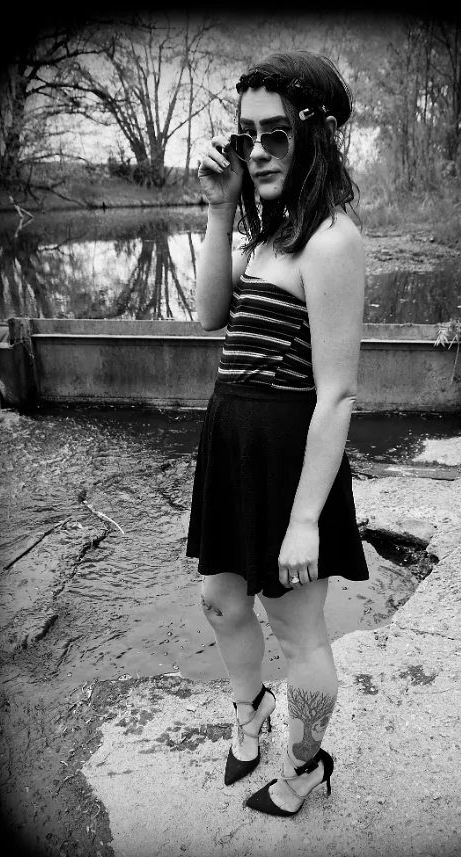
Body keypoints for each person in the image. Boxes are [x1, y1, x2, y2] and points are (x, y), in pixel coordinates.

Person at [186, 50, 369, 817]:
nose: (257, 151)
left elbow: (338, 395)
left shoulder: (331, 240)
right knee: (221, 599)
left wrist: (303, 522)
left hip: (292, 464)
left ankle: (304, 763)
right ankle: (251, 707)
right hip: (233, 448)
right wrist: (220, 209)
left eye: (276, 135)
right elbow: (209, 315)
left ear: (316, 136)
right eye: (246, 136)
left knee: (299, 635)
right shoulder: (270, 234)